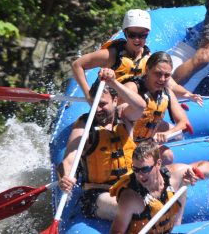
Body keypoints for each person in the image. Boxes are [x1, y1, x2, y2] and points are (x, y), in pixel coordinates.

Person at [57, 68, 146, 221]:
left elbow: (140, 106)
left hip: (130, 187)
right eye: (95, 104)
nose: (98, 109)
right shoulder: (84, 125)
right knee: (130, 208)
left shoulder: (125, 116)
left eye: (103, 104)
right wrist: (65, 177)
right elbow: (69, 159)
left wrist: (113, 82)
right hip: (99, 195)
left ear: (116, 100)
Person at [71, 9, 202, 105]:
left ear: (148, 34)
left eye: (142, 35)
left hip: (130, 109)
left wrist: (188, 95)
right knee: (132, 87)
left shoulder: (148, 59)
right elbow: (77, 65)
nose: (137, 40)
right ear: (125, 33)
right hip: (109, 107)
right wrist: (88, 95)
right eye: (132, 35)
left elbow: (171, 85)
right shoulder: (111, 55)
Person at [109, 140, 209, 233]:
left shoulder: (175, 175)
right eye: (136, 170)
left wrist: (196, 173)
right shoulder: (130, 198)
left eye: (145, 169)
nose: (140, 175)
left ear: (158, 164)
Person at [124, 51, 191, 165]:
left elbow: (184, 123)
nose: (162, 79)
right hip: (125, 142)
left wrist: (167, 133)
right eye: (158, 73)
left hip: (146, 144)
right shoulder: (133, 88)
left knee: (167, 155)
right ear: (147, 69)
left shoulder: (167, 93)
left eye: (167, 75)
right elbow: (118, 115)